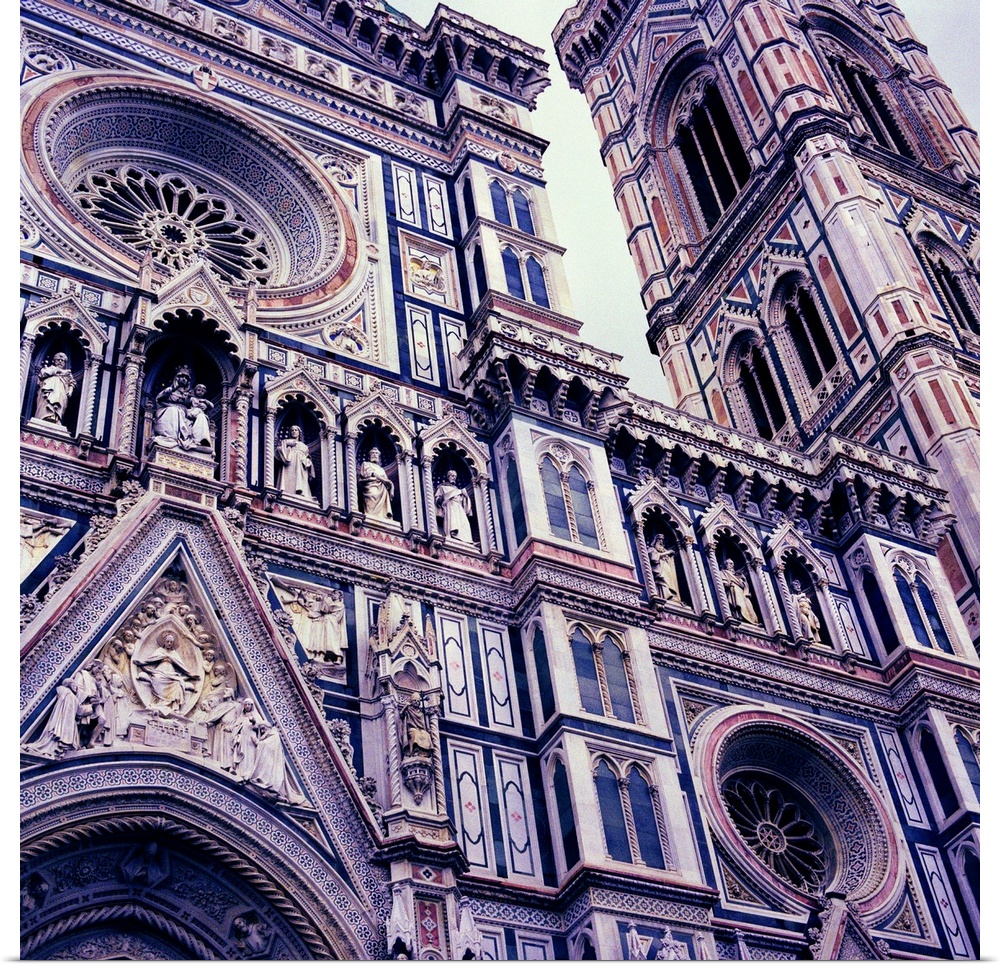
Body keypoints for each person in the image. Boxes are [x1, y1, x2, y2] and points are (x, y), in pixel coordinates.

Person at [133, 630, 199, 715]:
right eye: (167, 641)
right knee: (157, 679)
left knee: (177, 683)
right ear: (164, 642)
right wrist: (141, 663)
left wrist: (191, 675)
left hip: (171, 672)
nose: (169, 643)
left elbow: (182, 666)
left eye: (171, 642)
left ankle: (174, 707)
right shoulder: (159, 651)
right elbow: (150, 660)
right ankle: (159, 703)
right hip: (161, 670)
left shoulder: (174, 653)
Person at [152, 367, 194, 448]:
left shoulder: (188, 394)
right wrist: (170, 405)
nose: (184, 379)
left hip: (183, 414)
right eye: (182, 376)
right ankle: (170, 437)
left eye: (186, 378)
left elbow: (191, 406)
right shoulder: (170, 390)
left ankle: (183, 439)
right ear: (177, 378)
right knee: (173, 411)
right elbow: (159, 400)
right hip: (167, 411)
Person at [34, 352, 76, 425]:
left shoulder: (68, 373)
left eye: (62, 360)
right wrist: (57, 371)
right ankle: (44, 415)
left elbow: (72, 382)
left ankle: (55, 417)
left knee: (58, 402)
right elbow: (42, 374)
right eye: (58, 360)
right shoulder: (49, 368)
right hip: (48, 389)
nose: (60, 361)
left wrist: (70, 390)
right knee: (47, 401)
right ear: (54, 360)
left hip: (61, 392)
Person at [434, 469, 473, 542]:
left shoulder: (458, 490)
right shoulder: (442, 487)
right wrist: (443, 502)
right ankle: (452, 534)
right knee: (453, 522)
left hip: (459, 508)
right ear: (448, 477)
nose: (454, 477)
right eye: (452, 476)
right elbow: (437, 498)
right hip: (450, 506)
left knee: (464, 523)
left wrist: (466, 496)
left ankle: (465, 538)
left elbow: (464, 503)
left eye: (455, 476)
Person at [276, 425, 314, 499]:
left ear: (299, 433)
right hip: (290, 461)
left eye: (296, 430)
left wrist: (308, 462)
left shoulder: (304, 446)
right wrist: (287, 444)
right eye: (292, 430)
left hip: (300, 465)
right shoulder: (287, 442)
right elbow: (279, 451)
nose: (294, 432)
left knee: (300, 479)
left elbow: (308, 457)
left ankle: (302, 492)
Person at [720, 557, 760, 625]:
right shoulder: (723, 572)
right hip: (733, 589)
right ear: (725, 565)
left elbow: (744, 585)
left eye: (732, 564)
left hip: (742, 592)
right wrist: (729, 584)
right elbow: (724, 582)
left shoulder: (737, 574)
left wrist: (742, 579)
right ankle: (738, 616)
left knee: (748, 605)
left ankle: (752, 620)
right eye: (728, 563)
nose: (730, 565)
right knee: (738, 603)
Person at [359, 447, 394, 520]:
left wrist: (391, 488)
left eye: (376, 453)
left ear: (379, 457)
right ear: (369, 456)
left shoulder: (381, 469)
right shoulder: (366, 464)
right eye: (372, 453)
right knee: (373, 494)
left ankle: (382, 516)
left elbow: (387, 481)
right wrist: (382, 479)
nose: (374, 455)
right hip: (371, 485)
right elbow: (368, 474)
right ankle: (371, 514)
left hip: (382, 489)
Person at [399, 692, 433, 758]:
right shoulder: (408, 710)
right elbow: (401, 714)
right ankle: (415, 751)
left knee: (426, 734)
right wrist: (405, 707)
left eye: (418, 701)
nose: (416, 702)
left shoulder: (421, 712)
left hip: (420, 728)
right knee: (415, 734)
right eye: (415, 701)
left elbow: (424, 723)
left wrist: (428, 729)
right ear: (411, 702)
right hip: (412, 728)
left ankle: (424, 752)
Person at [648, 533, 680, 601]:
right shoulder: (651, 549)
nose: (661, 541)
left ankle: (671, 595)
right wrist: (667, 553)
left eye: (662, 540)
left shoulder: (664, 550)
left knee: (669, 581)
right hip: (659, 567)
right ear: (655, 540)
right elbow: (653, 557)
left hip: (666, 567)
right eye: (659, 539)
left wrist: (669, 556)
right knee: (662, 578)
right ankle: (665, 595)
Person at [186, 384, 213, 450]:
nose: (200, 392)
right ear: (195, 390)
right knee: (197, 411)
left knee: (201, 415)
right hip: (192, 412)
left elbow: (212, 406)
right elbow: (186, 403)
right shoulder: (192, 398)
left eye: (202, 391)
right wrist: (188, 396)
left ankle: (201, 440)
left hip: (200, 414)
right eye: (198, 390)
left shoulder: (204, 401)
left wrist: (205, 402)